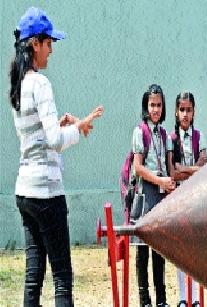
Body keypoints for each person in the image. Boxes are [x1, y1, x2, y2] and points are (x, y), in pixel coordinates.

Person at [9, 7, 103, 306]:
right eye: (49, 42)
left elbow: (34, 136)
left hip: (24, 189)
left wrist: (65, 125)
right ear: (35, 44)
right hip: (47, 191)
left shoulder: (18, 85)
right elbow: (53, 141)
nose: (51, 50)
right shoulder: (40, 83)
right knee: (62, 276)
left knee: (32, 277)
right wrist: (79, 128)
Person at [131, 84, 175, 307]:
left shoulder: (165, 134)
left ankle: (161, 300)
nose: (155, 109)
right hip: (145, 192)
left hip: (161, 194)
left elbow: (169, 168)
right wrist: (159, 181)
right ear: (146, 107)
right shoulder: (140, 131)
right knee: (142, 249)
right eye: (152, 105)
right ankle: (144, 300)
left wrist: (171, 182)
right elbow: (138, 167)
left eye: (159, 105)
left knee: (159, 249)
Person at [167, 91, 207, 307]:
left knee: (197, 247)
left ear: (193, 112)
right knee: (181, 249)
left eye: (188, 110)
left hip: (198, 197)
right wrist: (189, 170)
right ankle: (184, 297)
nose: (185, 114)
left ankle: (197, 297)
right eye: (181, 110)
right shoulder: (171, 139)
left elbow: (204, 166)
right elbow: (172, 172)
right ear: (175, 111)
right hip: (179, 197)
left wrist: (187, 168)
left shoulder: (199, 136)